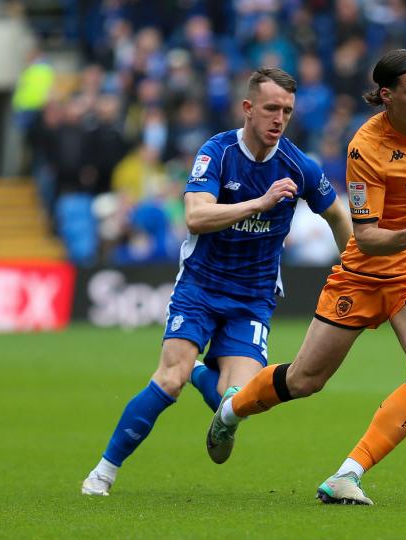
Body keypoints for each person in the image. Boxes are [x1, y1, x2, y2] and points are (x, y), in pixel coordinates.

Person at [205, 49, 406, 505]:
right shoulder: (367, 149)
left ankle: (347, 475)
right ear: (386, 97)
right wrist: (404, 237)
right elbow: (368, 237)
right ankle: (231, 409)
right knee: (304, 381)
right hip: (365, 273)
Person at [81, 68, 352, 495]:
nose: (279, 119)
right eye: (270, 109)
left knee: (236, 401)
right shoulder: (218, 153)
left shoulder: (299, 165)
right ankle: (103, 472)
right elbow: (196, 216)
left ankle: (202, 375)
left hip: (254, 298)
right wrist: (259, 203)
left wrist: (357, 267)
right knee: (169, 378)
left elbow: (337, 215)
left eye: (287, 110)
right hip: (201, 287)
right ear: (248, 109)